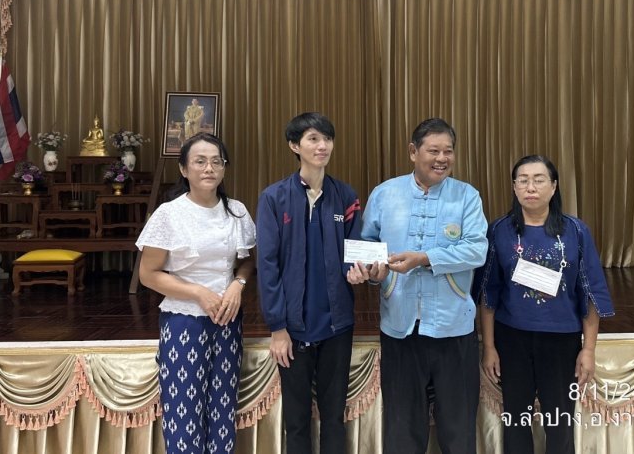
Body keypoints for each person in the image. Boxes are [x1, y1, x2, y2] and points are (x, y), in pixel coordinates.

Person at [361, 117, 488, 454]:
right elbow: (368, 246)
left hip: (453, 326)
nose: (442, 158)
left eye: (448, 151)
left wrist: (424, 258)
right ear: (413, 151)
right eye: (433, 151)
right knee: (402, 427)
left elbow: (477, 250)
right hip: (400, 326)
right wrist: (374, 272)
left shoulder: (466, 196)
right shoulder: (385, 194)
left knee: (458, 428)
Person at [256, 112, 376, 454]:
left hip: (337, 324)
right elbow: (267, 265)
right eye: (313, 139)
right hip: (292, 328)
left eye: (327, 139)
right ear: (295, 146)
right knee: (297, 421)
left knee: (333, 417)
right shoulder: (274, 198)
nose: (322, 146)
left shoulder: (345, 195)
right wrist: (278, 327)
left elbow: (355, 249)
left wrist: (359, 270)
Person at [478, 155, 615, 454]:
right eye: (523, 180)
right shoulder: (499, 230)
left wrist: (589, 349)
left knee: (560, 421)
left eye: (539, 180)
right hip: (512, 337)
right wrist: (489, 346)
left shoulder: (576, 231)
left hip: (561, 340)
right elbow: (489, 292)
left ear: (553, 187)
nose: (531, 187)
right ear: (514, 187)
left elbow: (589, 292)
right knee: (515, 420)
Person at [137, 133, 256, 454]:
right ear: (184, 169)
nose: (209, 168)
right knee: (183, 411)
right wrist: (197, 293)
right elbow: (148, 274)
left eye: (217, 161)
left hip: (227, 319)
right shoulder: (169, 214)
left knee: (223, 410)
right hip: (183, 320)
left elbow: (247, 261)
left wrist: (238, 284)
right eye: (200, 161)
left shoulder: (237, 211)